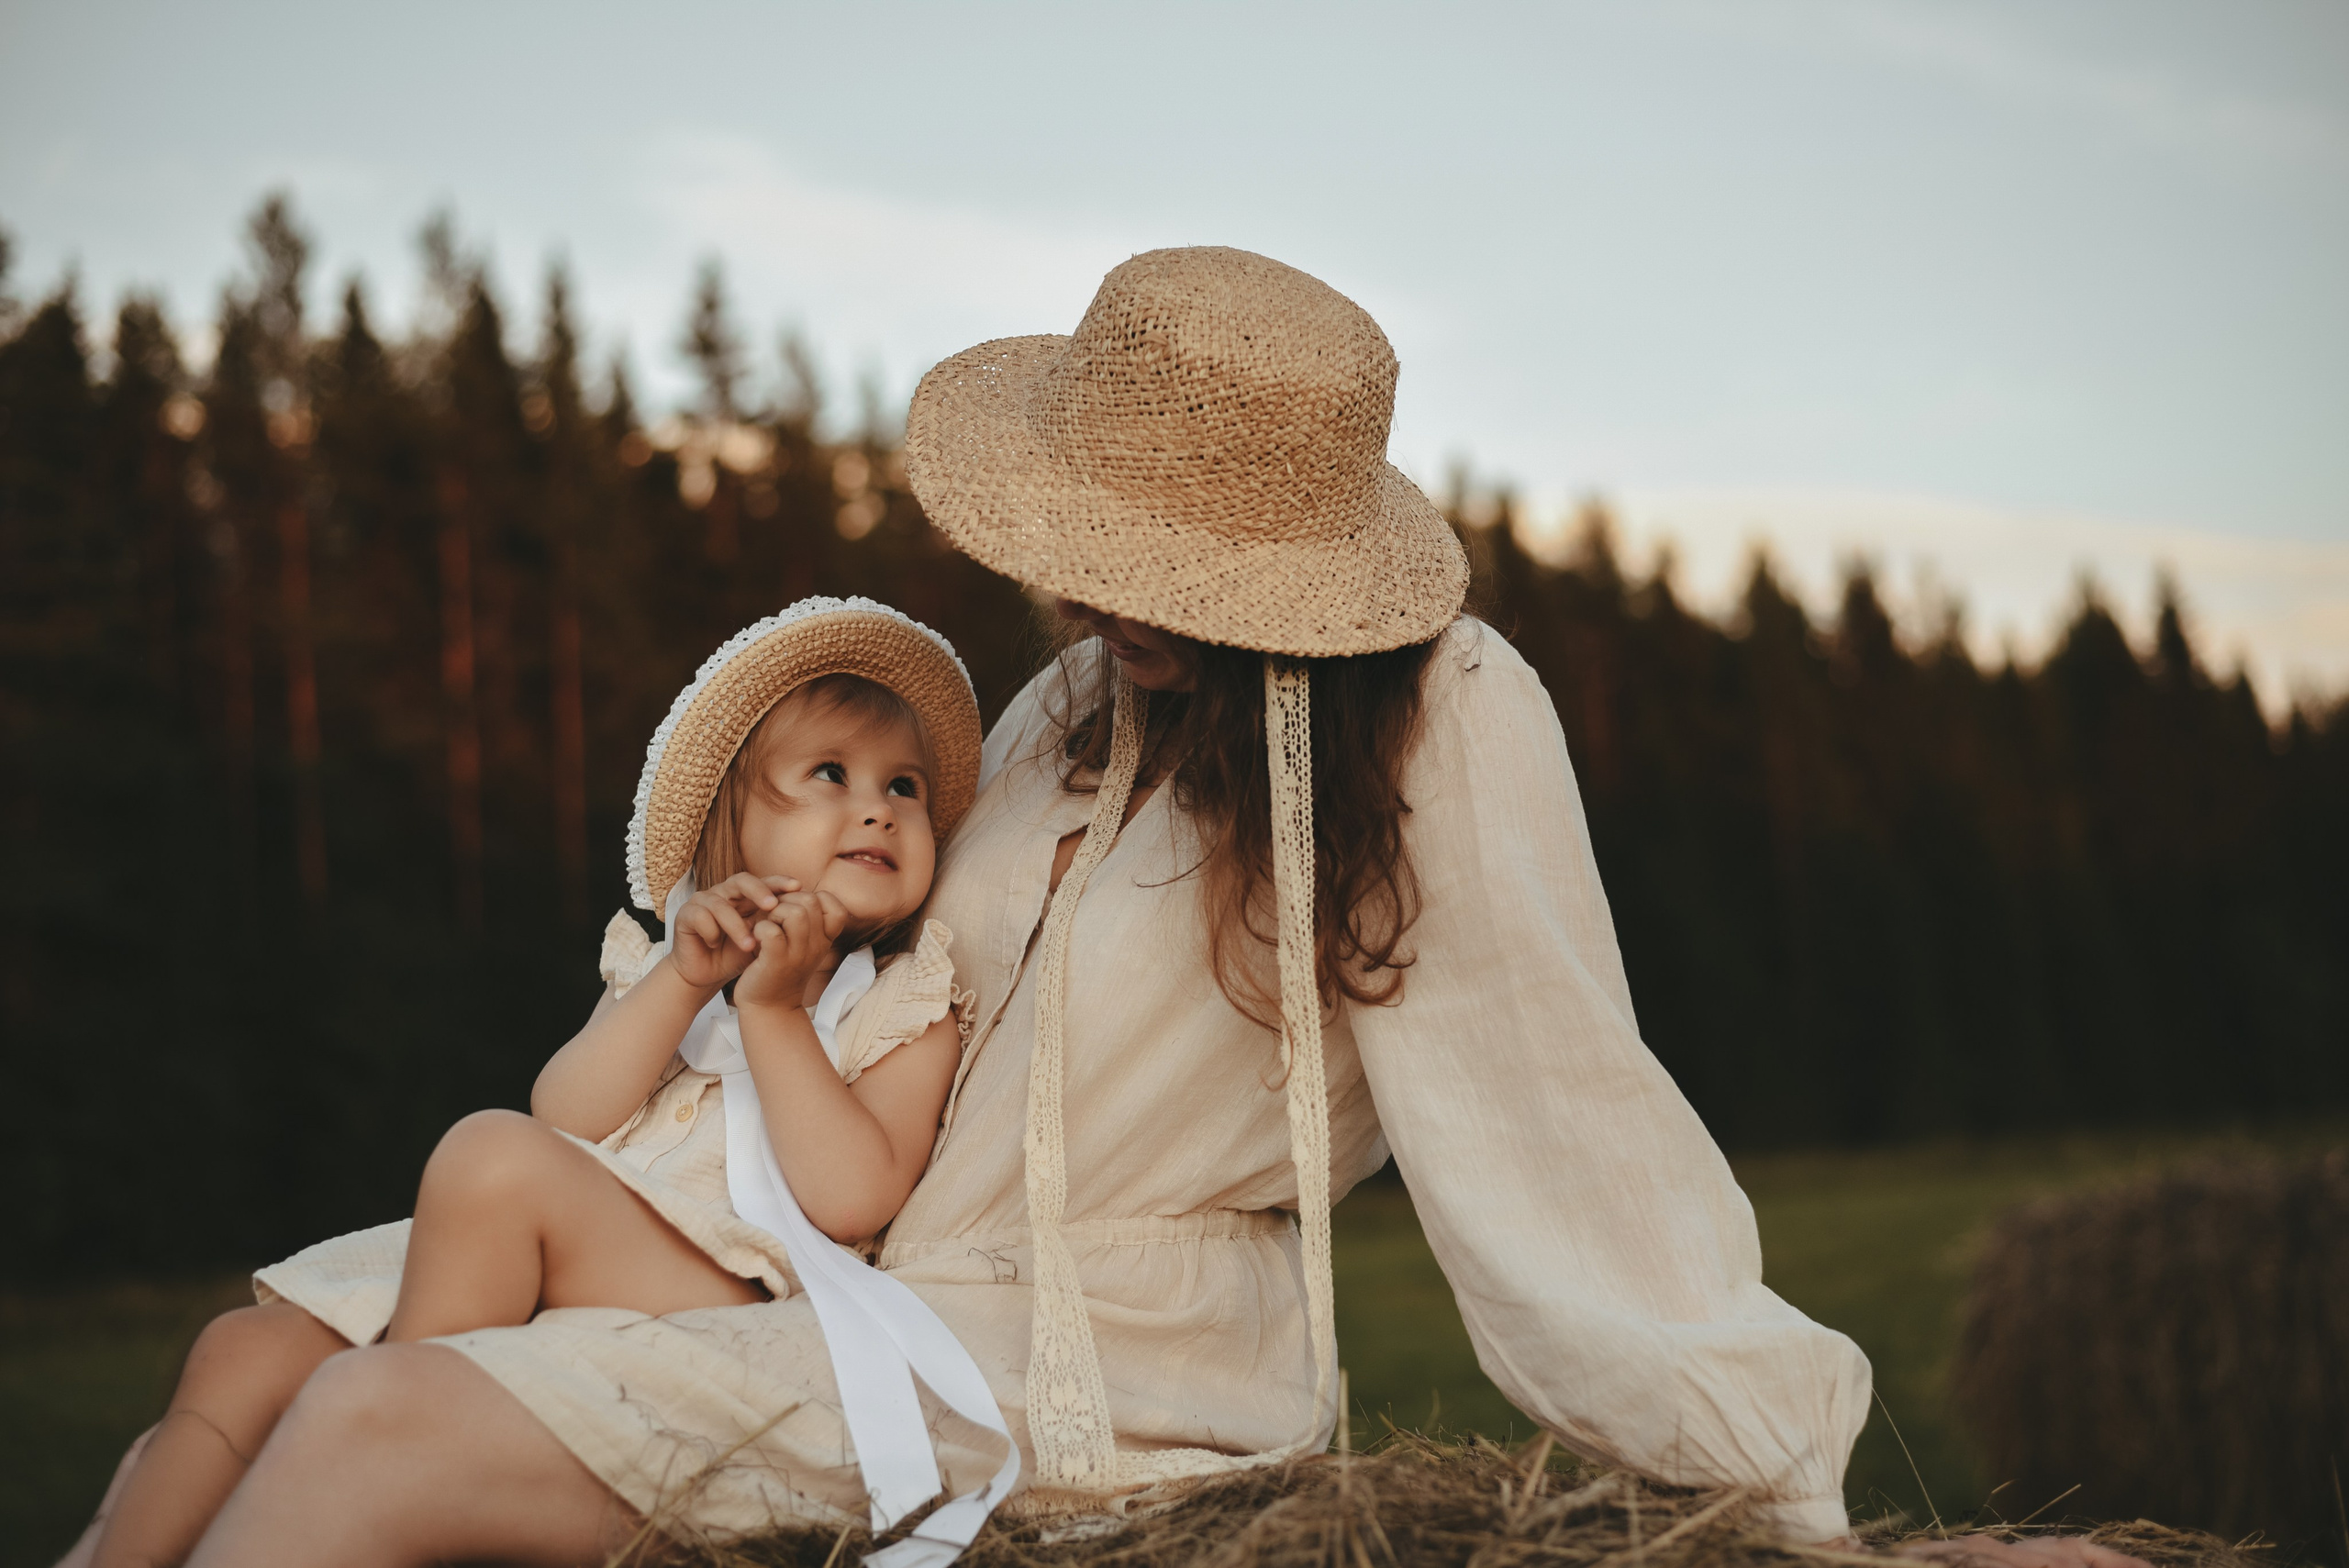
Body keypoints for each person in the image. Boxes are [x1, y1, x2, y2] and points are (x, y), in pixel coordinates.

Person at [72, 248, 2129, 1568]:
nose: (1097, 600)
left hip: (1090, 1360)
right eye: (1092, 546)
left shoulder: (1446, 719)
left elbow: (1561, 1123)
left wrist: (1799, 1518)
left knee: (378, 1422)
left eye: (1160, 565)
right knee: (249, 1347)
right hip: (816, 1257)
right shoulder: (1065, 704)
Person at [69, 597, 995, 1568]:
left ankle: (386, 1461)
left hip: (735, 1276)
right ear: (735, 821)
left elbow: (852, 1200)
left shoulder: (900, 999)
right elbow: (571, 1110)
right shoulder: (675, 967)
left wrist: (773, 1015)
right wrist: (684, 983)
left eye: (906, 786)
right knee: (239, 1350)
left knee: (492, 1156)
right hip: (578, 1237)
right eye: (830, 775)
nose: (879, 805)